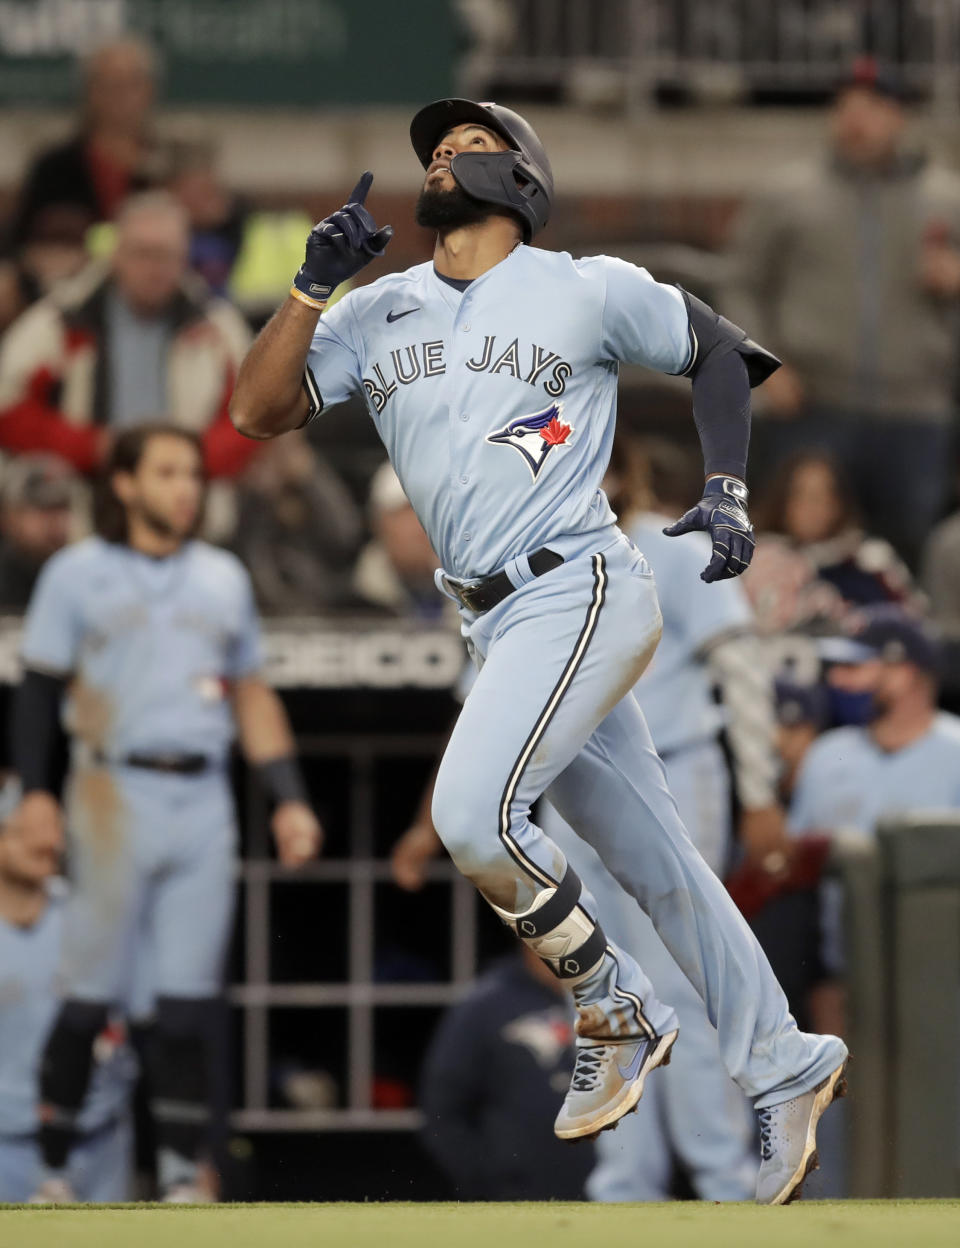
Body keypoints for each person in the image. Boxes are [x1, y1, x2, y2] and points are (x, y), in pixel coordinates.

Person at [229, 96, 847, 1205]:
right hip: (489, 616)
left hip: (580, 584)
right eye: (437, 147)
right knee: (660, 866)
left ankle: (612, 1003)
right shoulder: (379, 309)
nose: (445, 154)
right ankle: (785, 1062)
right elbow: (257, 410)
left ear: (524, 178)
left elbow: (718, 351)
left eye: (472, 143)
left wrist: (725, 486)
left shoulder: (583, 285)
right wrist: (309, 289)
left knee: (474, 818)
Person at [9, 423, 323, 1202]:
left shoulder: (221, 577)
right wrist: (40, 795)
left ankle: (185, 1174)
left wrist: (289, 801)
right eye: (166, 473)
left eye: (192, 473)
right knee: (86, 998)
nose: (186, 488)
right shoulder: (77, 573)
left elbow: (250, 690)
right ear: (124, 484)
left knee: (185, 1005)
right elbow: (41, 688)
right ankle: (54, 1170)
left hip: (202, 795)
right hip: (110, 790)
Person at [726, 57, 960, 566]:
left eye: (873, 107)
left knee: (906, 552)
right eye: (845, 106)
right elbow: (741, 282)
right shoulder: (787, 194)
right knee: (798, 551)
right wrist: (757, 363)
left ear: (899, 116)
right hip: (812, 406)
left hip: (914, 412)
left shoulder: (946, 197)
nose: (856, 120)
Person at [0, 192, 255, 482]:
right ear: (116, 253)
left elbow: (255, 415)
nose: (154, 268)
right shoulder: (62, 320)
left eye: (167, 255)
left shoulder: (218, 327)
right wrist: (91, 446)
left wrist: (185, 459)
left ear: (184, 257)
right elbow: (7, 408)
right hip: (85, 499)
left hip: (191, 504)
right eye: (143, 253)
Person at [0, 780, 138, 1203]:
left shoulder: (87, 918)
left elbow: (155, 1027)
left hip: (99, 1145)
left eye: (55, 828)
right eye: (30, 831)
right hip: (10, 1150)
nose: (51, 842)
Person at [420, 946, 594, 1200]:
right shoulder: (486, 1003)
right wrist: (488, 1180)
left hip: (612, 1193)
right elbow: (442, 1108)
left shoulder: (619, 996)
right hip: (516, 1197)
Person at [6, 37, 161, 252]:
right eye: (108, 83)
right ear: (89, 90)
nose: (120, 95)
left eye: (131, 83)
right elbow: (20, 246)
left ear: (149, 89)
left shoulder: (170, 168)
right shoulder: (53, 169)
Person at [745, 452, 918, 638]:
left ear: (839, 503)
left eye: (825, 495)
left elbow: (915, 621)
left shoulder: (871, 559)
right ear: (782, 501)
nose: (813, 506)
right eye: (802, 495)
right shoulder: (761, 560)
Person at [353, 462, 451, 620]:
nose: (421, 525)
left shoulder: (471, 589)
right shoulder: (353, 601)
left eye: (430, 511)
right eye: (407, 511)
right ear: (377, 522)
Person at [0, 455, 76, 611]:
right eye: (43, 510)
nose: (56, 522)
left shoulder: (78, 574)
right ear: (10, 515)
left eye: (62, 508)